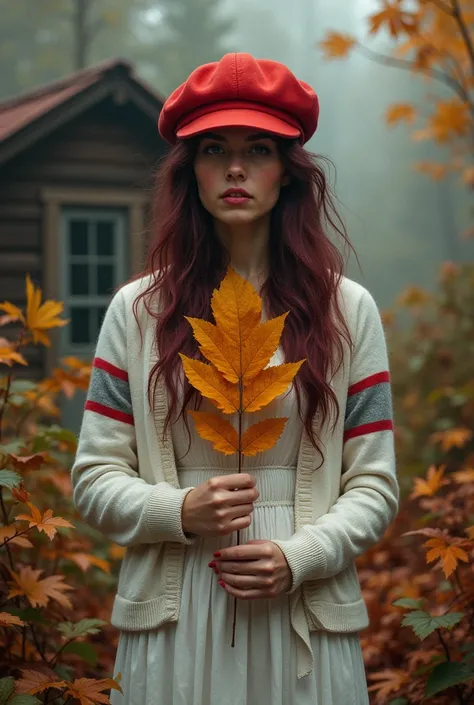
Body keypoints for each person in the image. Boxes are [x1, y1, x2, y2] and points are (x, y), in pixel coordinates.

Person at [71, 52, 399, 705]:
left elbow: (374, 482)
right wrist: (178, 509)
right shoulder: (139, 313)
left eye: (260, 149)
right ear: (190, 172)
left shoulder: (348, 311)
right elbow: (94, 478)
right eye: (215, 149)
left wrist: (298, 556)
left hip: (302, 606)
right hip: (177, 606)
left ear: (288, 172)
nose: (237, 168)